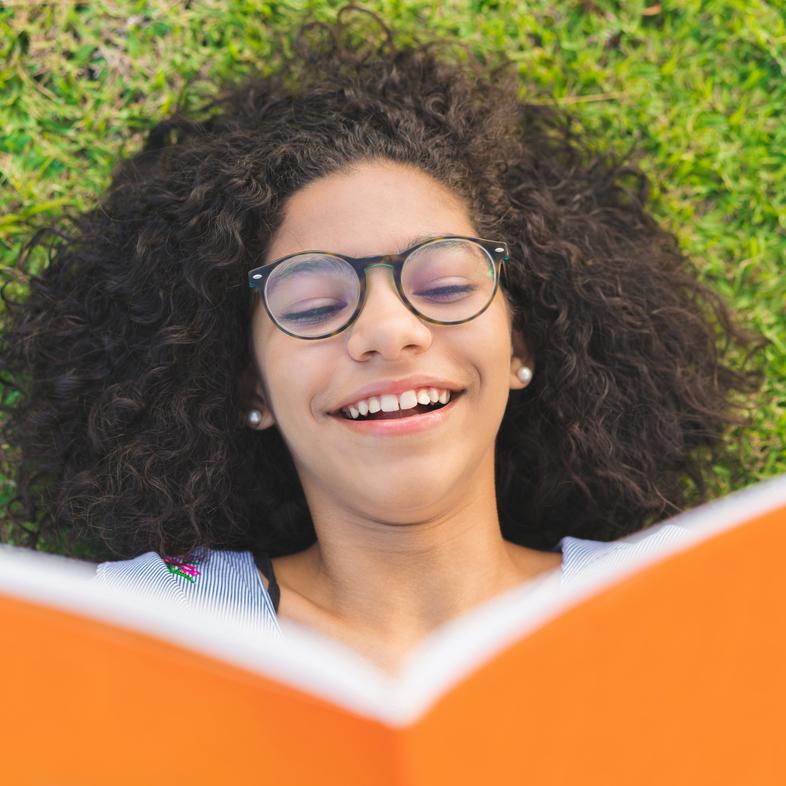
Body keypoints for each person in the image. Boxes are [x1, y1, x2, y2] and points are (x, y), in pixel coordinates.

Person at [0, 7, 763, 674]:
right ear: (250, 388)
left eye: (446, 286)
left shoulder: (689, 615)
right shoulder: (129, 626)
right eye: (312, 301)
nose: (390, 332)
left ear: (520, 345)